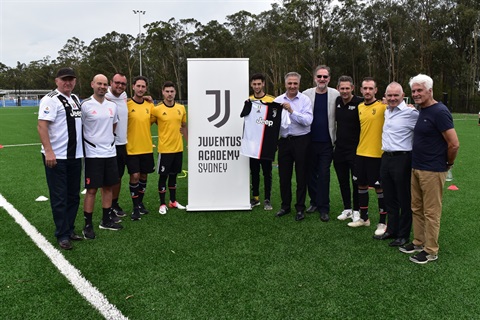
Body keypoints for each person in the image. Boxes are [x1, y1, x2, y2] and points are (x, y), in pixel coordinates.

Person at [399, 74, 459, 264]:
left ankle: (431, 250)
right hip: (416, 167)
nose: (416, 94)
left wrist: (448, 164)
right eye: (414, 91)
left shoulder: (440, 111)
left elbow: (454, 144)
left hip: (433, 169)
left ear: (430, 91)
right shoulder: (422, 109)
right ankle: (418, 242)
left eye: (419, 90)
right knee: (416, 208)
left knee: (431, 212)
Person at [37, 67, 84, 250]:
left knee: (73, 195)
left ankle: (70, 229)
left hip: (74, 156)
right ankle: (62, 234)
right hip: (56, 157)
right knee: (59, 197)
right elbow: (42, 126)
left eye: (71, 79)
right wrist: (48, 151)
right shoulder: (50, 99)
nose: (68, 82)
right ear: (57, 81)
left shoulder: (74, 99)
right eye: (64, 79)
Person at [373, 82, 418, 247]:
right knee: (389, 197)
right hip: (386, 158)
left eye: (396, 95)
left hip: (403, 159)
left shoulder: (411, 113)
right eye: (389, 95)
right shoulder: (387, 111)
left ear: (402, 95)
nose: (392, 98)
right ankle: (391, 230)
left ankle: (403, 234)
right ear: (385, 96)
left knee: (404, 198)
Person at [81, 74, 123, 239]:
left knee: (108, 187)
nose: (102, 86)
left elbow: (113, 125)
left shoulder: (112, 106)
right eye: (99, 83)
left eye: (105, 84)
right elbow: (80, 128)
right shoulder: (84, 105)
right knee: (92, 190)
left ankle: (106, 221)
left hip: (110, 152)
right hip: (93, 154)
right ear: (92, 84)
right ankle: (88, 225)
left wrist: (107, 141)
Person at [347, 77, 388, 237]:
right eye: (365, 88)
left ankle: (382, 222)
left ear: (376, 90)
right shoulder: (359, 107)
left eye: (371, 88)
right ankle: (364, 219)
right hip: (360, 153)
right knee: (361, 186)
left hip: (377, 155)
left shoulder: (383, 107)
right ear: (361, 90)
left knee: (379, 188)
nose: (367, 91)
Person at [274, 72, 313, 221]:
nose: (292, 86)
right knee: (284, 176)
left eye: (295, 83)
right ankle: (285, 206)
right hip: (284, 142)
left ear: (299, 84)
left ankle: (300, 208)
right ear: (285, 84)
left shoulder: (304, 100)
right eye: (289, 83)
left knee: (301, 175)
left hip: (302, 140)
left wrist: (292, 111)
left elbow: (308, 120)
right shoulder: (277, 101)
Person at [302, 65, 339, 222]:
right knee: (311, 174)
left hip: (327, 143)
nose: (322, 79)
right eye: (319, 76)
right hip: (309, 141)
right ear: (314, 78)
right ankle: (314, 202)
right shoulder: (306, 94)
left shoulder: (335, 94)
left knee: (324, 175)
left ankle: (324, 207)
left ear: (329, 79)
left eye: (325, 77)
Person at [151, 81, 188, 214]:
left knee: (173, 176)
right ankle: (162, 203)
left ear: (175, 92)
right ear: (163, 92)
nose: (169, 94)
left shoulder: (181, 108)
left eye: (172, 91)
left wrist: (188, 141)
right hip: (165, 150)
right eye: (167, 91)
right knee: (163, 176)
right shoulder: (156, 110)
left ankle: (173, 201)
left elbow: (183, 126)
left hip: (178, 149)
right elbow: (145, 124)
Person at [242, 73, 276, 211]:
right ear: (251, 85)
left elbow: (275, 122)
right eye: (254, 84)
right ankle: (255, 198)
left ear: (263, 84)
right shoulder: (248, 100)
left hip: (265, 144)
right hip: (252, 145)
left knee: (267, 172)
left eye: (259, 84)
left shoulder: (272, 100)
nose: (257, 86)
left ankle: (267, 199)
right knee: (254, 172)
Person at [333, 76, 363, 221]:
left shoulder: (360, 102)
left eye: (347, 88)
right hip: (339, 149)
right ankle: (347, 209)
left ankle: (357, 210)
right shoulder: (337, 101)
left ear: (352, 88)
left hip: (355, 149)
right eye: (342, 88)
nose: (344, 91)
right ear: (338, 88)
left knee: (356, 181)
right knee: (342, 180)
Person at [126, 76, 155, 220]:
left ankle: (140, 203)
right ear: (133, 87)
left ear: (146, 88)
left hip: (147, 148)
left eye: (143, 87)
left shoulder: (150, 106)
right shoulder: (126, 104)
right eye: (138, 86)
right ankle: (135, 206)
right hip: (131, 148)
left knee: (144, 176)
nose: (140, 89)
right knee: (135, 176)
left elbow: (160, 120)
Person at [106, 73, 129, 219]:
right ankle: (107, 208)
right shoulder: (105, 96)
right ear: (111, 83)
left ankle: (114, 204)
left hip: (123, 144)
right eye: (117, 83)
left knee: (119, 176)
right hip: (108, 145)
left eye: (123, 84)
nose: (120, 86)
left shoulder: (124, 95)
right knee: (109, 179)